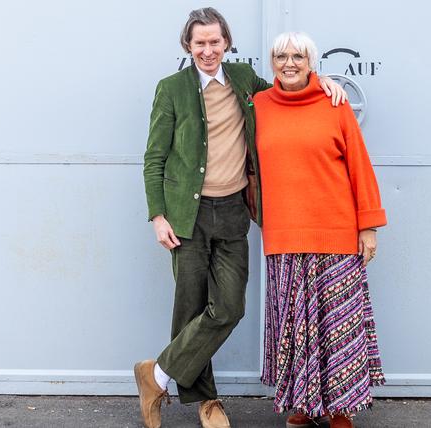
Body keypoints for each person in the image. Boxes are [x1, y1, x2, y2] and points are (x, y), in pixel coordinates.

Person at [137, 9, 347, 428]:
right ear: (187, 46)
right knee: (190, 307)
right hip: (186, 215)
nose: (208, 50)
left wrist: (321, 81)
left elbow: (289, 92)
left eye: (215, 42)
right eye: (200, 43)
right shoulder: (171, 89)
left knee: (228, 308)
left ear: (226, 43)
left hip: (233, 210)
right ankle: (206, 402)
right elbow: (154, 158)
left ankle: (155, 374)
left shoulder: (244, 81)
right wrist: (158, 215)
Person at [253, 32, 387, 428]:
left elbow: (359, 166)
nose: (289, 62)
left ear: (312, 62)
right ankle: (303, 405)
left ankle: (339, 407)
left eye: (298, 56)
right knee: (296, 328)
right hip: (284, 235)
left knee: (337, 327)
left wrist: (369, 226)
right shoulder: (258, 105)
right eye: (281, 56)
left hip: (337, 233)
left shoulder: (335, 103)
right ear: (272, 62)